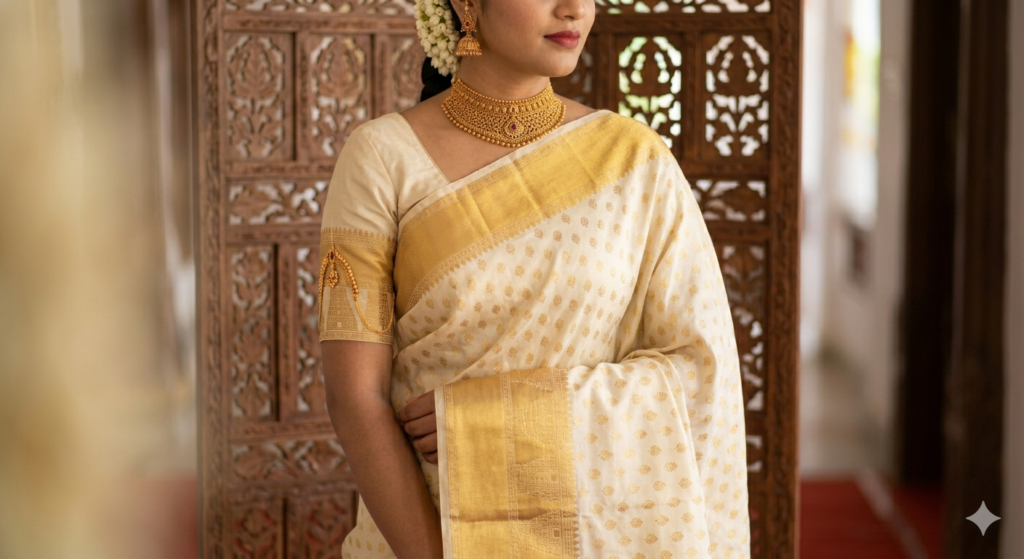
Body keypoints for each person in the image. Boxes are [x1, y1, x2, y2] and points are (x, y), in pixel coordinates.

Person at [317, 0, 751, 556]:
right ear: (465, 5)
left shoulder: (635, 162)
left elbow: (700, 371)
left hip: (595, 534)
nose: (574, 10)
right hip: (424, 532)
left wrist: (501, 421)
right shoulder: (380, 158)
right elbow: (355, 396)